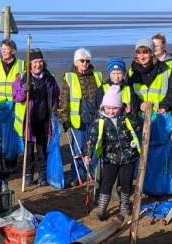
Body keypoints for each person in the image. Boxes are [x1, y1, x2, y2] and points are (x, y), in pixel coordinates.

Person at [83, 87, 141, 221]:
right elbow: (91, 139)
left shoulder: (126, 117)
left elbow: (138, 127)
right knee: (107, 182)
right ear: (103, 107)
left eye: (114, 108)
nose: (111, 111)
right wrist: (88, 154)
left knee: (126, 182)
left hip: (128, 156)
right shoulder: (99, 121)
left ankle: (124, 206)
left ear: (120, 107)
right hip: (110, 157)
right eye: (108, 108)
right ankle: (102, 209)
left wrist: (131, 114)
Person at [11, 48, 60, 186]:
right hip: (28, 120)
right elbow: (16, 97)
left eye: (40, 61)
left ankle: (42, 174)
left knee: (42, 149)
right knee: (29, 149)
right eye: (35, 62)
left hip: (44, 119)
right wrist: (23, 90)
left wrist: (55, 104)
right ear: (29, 63)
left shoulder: (49, 77)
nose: (38, 64)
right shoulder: (22, 78)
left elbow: (55, 92)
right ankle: (28, 174)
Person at [60, 48, 103, 187]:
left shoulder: (97, 75)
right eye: (82, 61)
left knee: (94, 148)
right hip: (77, 120)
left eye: (87, 61)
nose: (85, 63)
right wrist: (65, 119)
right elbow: (64, 100)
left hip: (94, 118)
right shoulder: (70, 77)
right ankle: (76, 175)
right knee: (78, 150)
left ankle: (94, 174)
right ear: (76, 62)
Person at [0, 39, 26, 172]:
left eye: (6, 48)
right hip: (0, 106)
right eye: (2, 48)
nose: (3, 51)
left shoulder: (22, 65)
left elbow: (25, 83)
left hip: (15, 105)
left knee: (13, 133)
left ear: (13, 51)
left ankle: (11, 164)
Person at [128, 38, 172, 117]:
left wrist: (164, 107)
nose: (141, 57)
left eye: (145, 53)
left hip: (161, 115)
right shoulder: (131, 72)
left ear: (152, 53)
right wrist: (140, 104)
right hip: (138, 117)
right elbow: (126, 94)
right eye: (139, 53)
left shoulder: (165, 69)